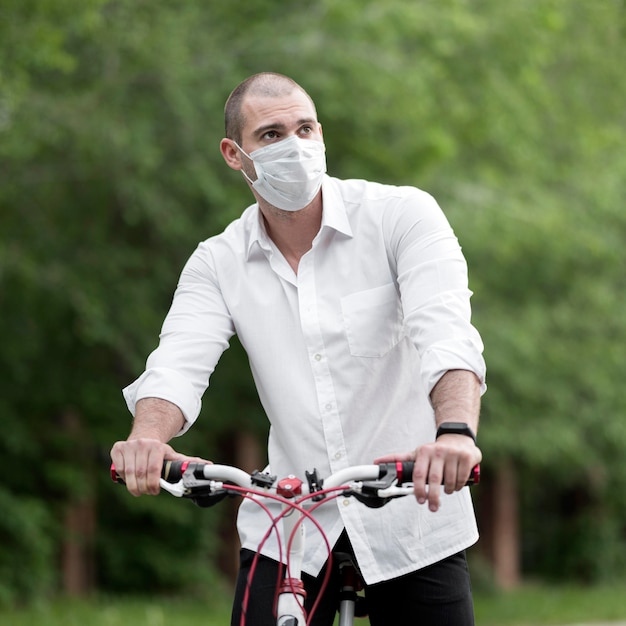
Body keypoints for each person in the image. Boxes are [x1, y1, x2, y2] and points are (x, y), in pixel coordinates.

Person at [110, 72, 486, 625]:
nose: (296, 146)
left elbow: (446, 332)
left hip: (412, 511)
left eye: (305, 128)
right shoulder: (218, 262)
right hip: (288, 521)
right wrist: (146, 438)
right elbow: (176, 365)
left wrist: (454, 433)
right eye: (272, 134)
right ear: (234, 155)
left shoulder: (400, 215)